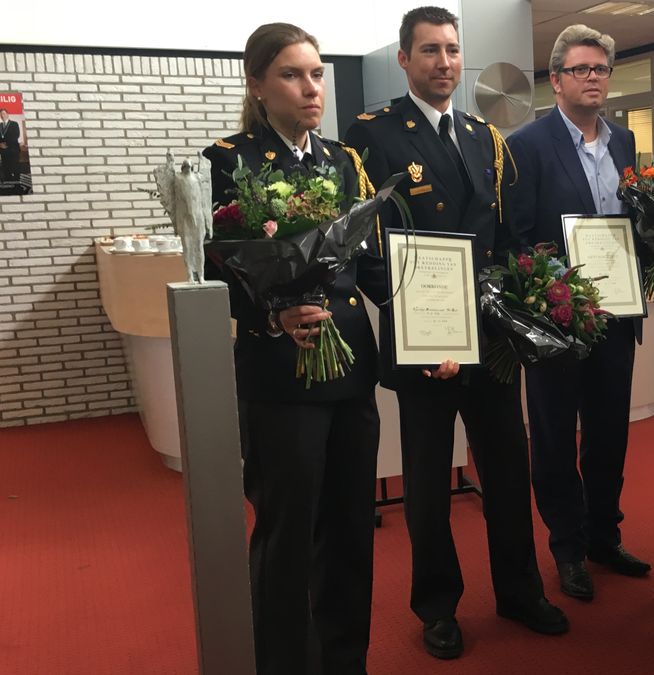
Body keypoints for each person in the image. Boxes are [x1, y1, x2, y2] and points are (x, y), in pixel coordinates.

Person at [345, 5, 567, 661]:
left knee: (508, 471)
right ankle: (437, 607)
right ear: (404, 59)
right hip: (426, 343)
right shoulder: (374, 136)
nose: (444, 62)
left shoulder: (482, 135)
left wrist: (521, 304)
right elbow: (366, 250)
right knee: (427, 485)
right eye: (429, 50)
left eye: (451, 49)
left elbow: (506, 237)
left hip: (490, 339)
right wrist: (423, 327)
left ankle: (519, 591)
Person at [202, 23, 383, 675]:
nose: (311, 88)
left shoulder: (343, 160)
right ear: (257, 83)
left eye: (316, 74)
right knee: (289, 536)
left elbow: (367, 263)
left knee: (351, 528)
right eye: (291, 74)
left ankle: (345, 659)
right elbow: (214, 270)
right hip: (280, 376)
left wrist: (438, 317)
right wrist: (274, 315)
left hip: (349, 370)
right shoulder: (229, 162)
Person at [505, 24, 650, 604]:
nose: (593, 78)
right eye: (581, 69)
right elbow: (516, 238)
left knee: (610, 433)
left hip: (617, 315)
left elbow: (632, 223)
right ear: (556, 79)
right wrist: (553, 291)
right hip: (558, 320)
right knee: (555, 436)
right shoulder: (526, 145)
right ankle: (567, 547)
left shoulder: (624, 141)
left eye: (601, 69)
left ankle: (604, 536)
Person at [0, 109, 20, 182]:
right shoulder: (0, 125)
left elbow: (16, 135)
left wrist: (6, 143)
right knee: (6, 167)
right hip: (3, 150)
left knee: (15, 166)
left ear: (7, 114)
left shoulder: (14, 124)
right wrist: (0, 144)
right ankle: (8, 180)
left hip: (13, 149)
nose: (2, 115)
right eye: (1, 114)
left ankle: (17, 182)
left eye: (4, 113)